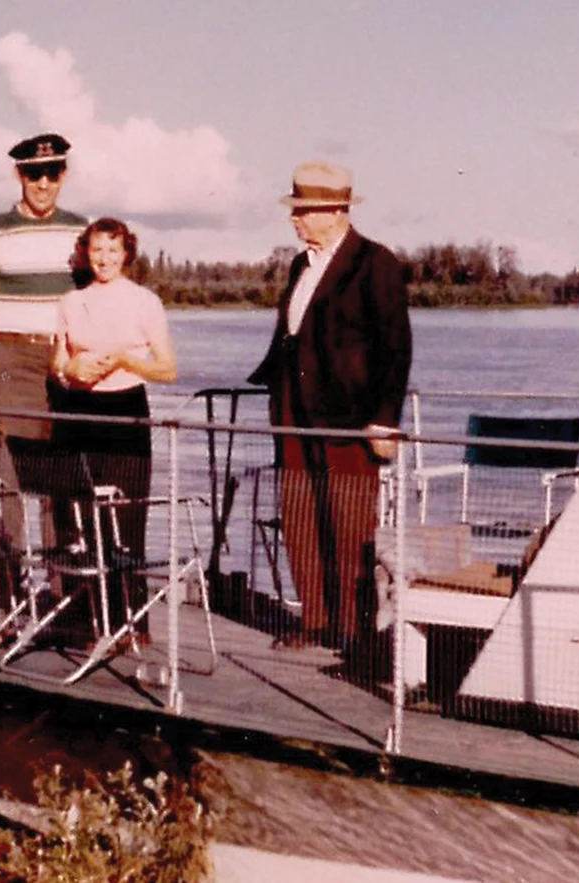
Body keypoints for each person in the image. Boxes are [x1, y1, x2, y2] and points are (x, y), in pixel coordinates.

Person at [248, 161, 412, 675]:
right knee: (299, 515)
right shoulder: (300, 264)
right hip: (294, 410)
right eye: (295, 210)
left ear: (337, 211)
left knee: (349, 523)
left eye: (304, 211)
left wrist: (385, 419)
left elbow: (395, 348)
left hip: (350, 415)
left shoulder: (374, 262)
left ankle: (356, 631)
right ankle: (314, 620)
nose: (295, 219)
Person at [0, 132, 88, 610]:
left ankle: (65, 599)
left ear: (64, 176)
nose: (43, 182)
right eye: (34, 173)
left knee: (64, 483)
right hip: (11, 361)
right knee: (8, 481)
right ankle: (7, 595)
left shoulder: (84, 230)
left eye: (52, 172)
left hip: (67, 365)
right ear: (19, 174)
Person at [51, 217, 177, 644]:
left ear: (127, 254)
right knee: (82, 518)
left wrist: (125, 360)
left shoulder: (145, 302)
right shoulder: (71, 301)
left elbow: (167, 368)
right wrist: (72, 367)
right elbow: (58, 360)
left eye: (112, 250)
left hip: (126, 411)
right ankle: (89, 618)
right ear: (86, 253)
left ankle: (131, 622)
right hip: (80, 409)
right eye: (96, 250)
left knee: (126, 519)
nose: (104, 259)